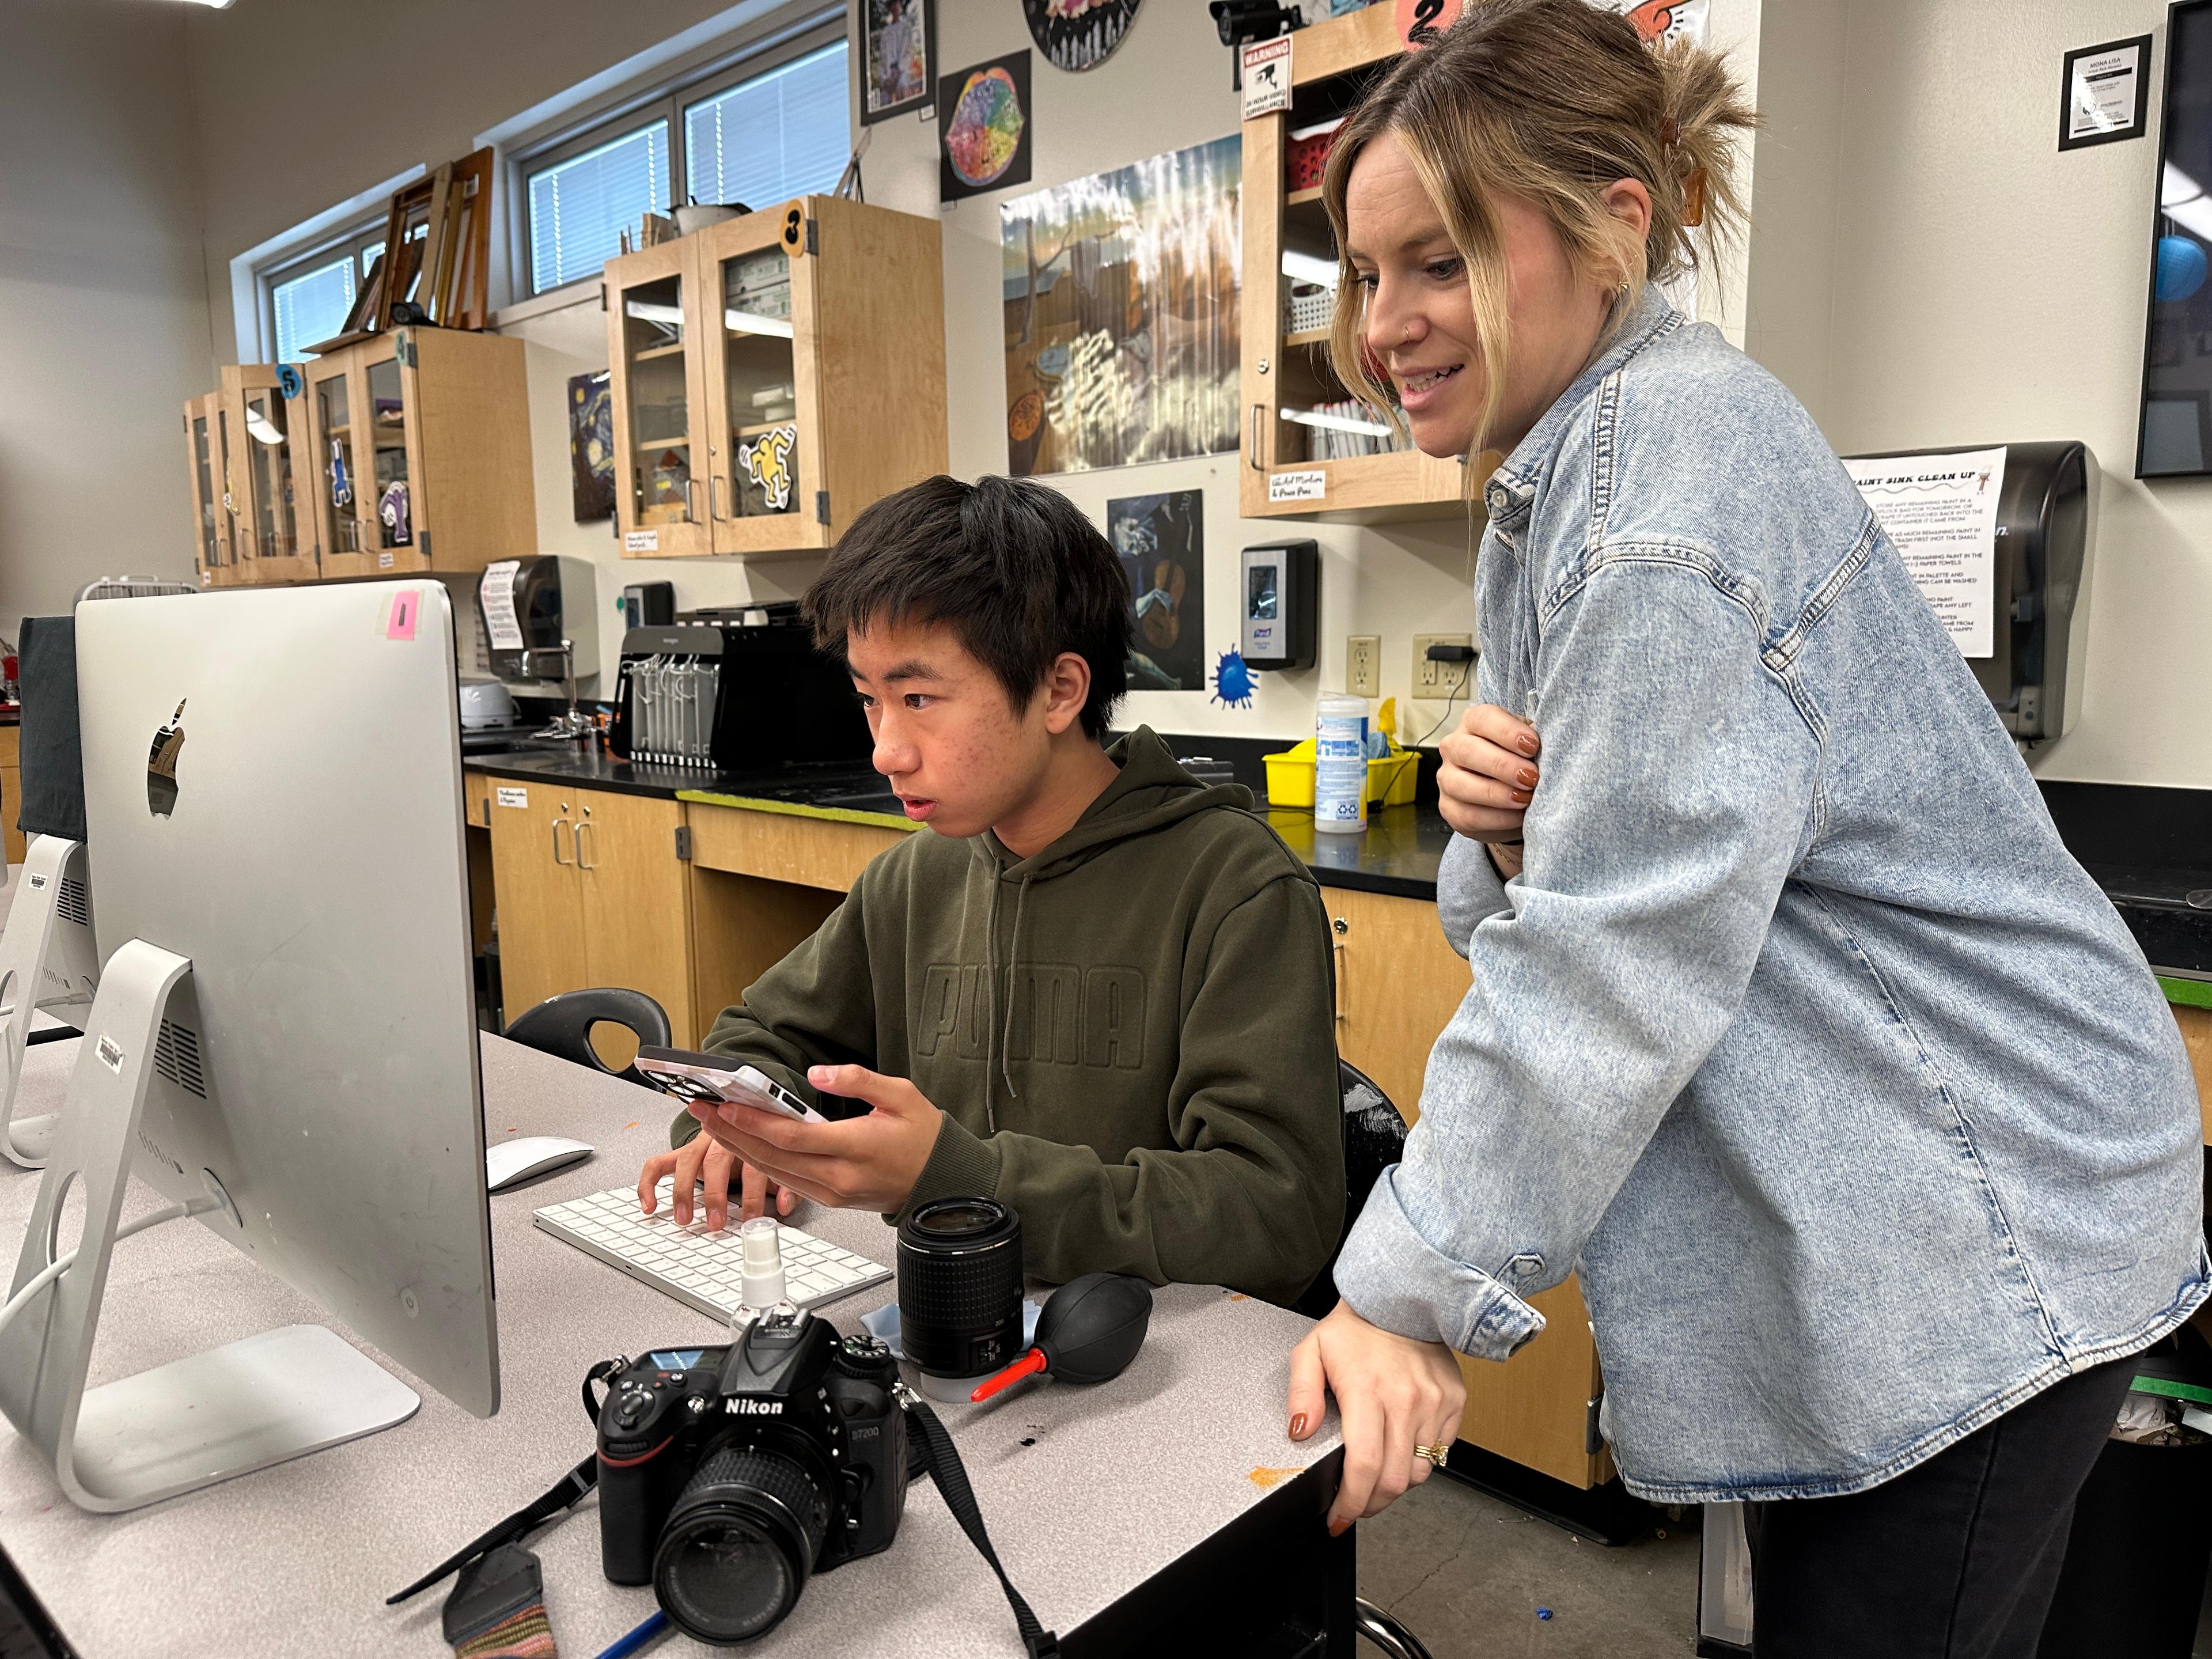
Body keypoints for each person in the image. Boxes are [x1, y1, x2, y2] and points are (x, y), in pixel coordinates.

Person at [1281, 2, 2209, 1651]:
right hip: (1928, 1212)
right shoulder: (1567, 474)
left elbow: (1609, 965)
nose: (1386, 326)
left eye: (1437, 263)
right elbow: (1559, 910)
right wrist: (1501, 826)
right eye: (1364, 275)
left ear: (1613, 221)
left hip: (1986, 1223)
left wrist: (1400, 1292)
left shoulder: (1663, 498)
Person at [637, 474, 1346, 1306]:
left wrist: (957, 1177)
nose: (886, 750)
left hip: (1151, 1355)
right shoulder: (915, 876)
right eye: (870, 701)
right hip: (939, 1323)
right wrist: (737, 1134)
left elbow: (1276, 1218)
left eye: (919, 699)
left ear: (1059, 690)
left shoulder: (1235, 888)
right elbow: (755, 1036)